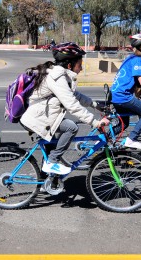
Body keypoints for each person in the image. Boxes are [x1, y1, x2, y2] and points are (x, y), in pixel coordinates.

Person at [20, 42, 109, 175]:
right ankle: (52, 162)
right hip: (39, 118)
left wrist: (95, 104)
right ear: (69, 65)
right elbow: (72, 104)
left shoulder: (62, 76)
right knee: (71, 127)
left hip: (46, 116)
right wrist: (95, 122)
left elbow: (74, 95)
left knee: (52, 147)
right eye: (80, 65)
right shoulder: (57, 77)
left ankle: (47, 182)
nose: (81, 68)